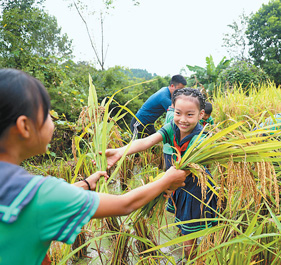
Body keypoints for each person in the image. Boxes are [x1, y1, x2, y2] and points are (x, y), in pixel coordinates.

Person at [0, 69, 187, 265]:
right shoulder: (43, 193)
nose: (52, 122)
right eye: (47, 114)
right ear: (24, 126)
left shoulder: (34, 192)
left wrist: (85, 184)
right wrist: (167, 179)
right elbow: (125, 204)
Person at [104, 88, 218, 259]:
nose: (183, 120)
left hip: (195, 192)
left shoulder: (200, 138)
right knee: (182, 225)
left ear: (201, 114)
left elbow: (183, 169)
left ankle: (194, 259)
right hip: (178, 187)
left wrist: (162, 184)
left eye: (190, 115)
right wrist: (120, 151)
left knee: (191, 235)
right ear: (173, 109)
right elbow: (146, 141)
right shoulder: (172, 127)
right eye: (178, 113)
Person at [130, 74, 186, 138]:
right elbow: (178, 111)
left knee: (154, 145)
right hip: (139, 123)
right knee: (136, 146)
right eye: (179, 90)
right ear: (172, 86)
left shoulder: (165, 89)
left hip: (149, 125)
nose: (180, 92)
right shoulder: (164, 98)